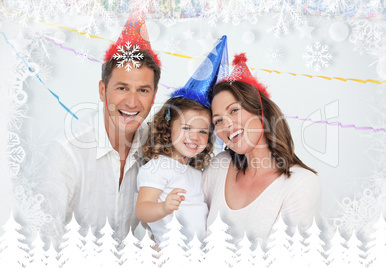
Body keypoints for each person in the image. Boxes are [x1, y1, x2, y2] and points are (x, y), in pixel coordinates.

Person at [37, 12, 161, 246]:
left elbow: (166, 228)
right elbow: (42, 240)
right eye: (122, 88)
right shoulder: (67, 149)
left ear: (154, 97)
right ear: (103, 91)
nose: (132, 103)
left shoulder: (155, 148)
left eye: (143, 90)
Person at [202, 53, 321, 247]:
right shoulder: (220, 165)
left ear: (260, 110)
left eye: (234, 110)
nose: (227, 125)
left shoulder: (302, 183)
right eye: (218, 120)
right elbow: (185, 220)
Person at [136, 35, 228, 246]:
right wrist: (163, 208)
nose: (195, 136)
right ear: (168, 127)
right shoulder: (158, 167)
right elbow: (142, 209)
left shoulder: (197, 173)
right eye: (186, 128)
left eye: (203, 131)